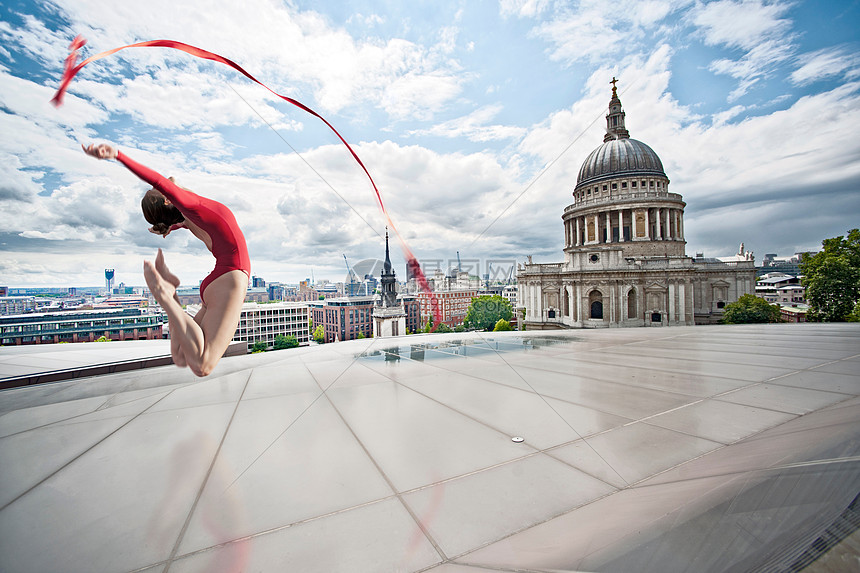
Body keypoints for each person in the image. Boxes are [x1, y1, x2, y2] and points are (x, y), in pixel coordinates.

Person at [83, 143, 250, 377]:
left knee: (182, 353)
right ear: (169, 200)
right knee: (203, 365)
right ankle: (167, 297)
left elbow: (170, 182)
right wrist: (118, 155)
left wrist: (170, 224)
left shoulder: (189, 216)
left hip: (221, 279)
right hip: (229, 279)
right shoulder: (192, 206)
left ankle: (171, 297)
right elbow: (161, 181)